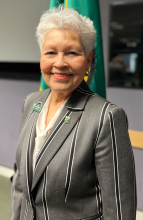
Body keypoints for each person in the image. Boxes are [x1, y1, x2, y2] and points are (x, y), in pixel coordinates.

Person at [11, 5, 136, 220]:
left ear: (87, 61)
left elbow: (119, 210)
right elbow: (21, 184)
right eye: (50, 52)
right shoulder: (31, 103)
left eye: (72, 53)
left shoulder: (106, 117)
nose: (59, 63)